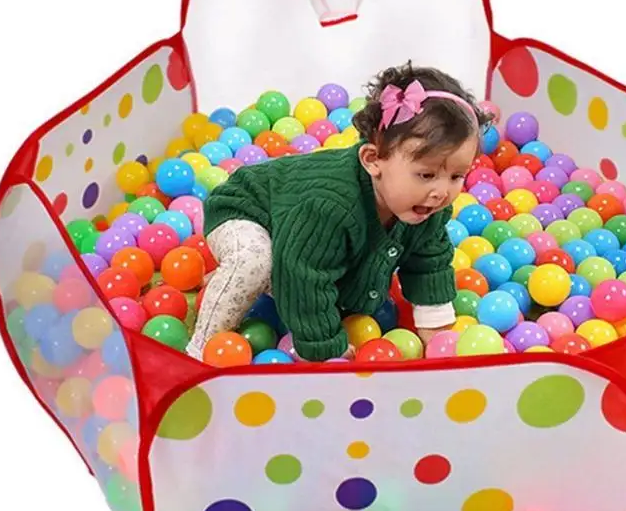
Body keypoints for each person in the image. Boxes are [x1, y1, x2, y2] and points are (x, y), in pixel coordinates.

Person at [186, 62, 491, 362]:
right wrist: (325, 344)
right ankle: (200, 349)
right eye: (426, 174)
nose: (442, 191)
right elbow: (303, 274)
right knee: (256, 261)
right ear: (373, 160)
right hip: (248, 209)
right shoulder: (330, 206)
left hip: (297, 231)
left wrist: (437, 335)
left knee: (342, 279)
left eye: (457, 176)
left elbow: (429, 264)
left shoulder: (426, 205)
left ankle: (247, 280)